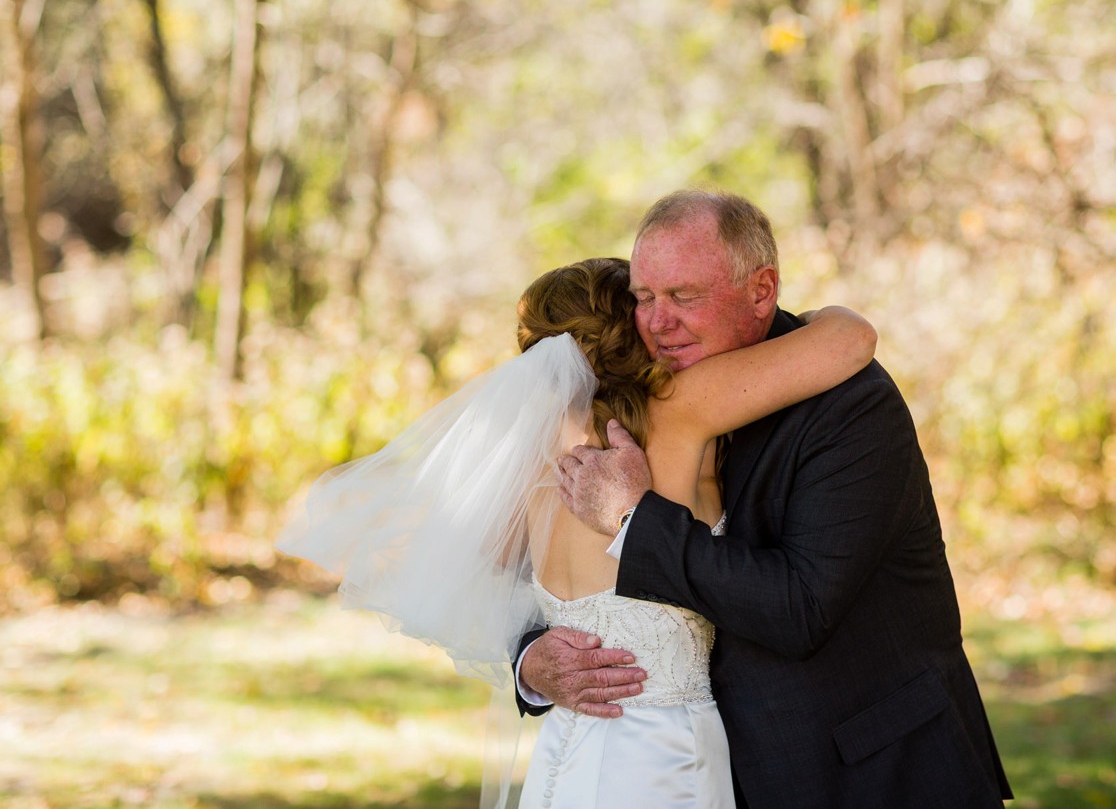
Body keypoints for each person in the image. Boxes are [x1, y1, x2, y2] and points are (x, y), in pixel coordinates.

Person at [278, 254, 878, 809]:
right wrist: (810, 316)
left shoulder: (536, 450)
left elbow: (475, 567)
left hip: (567, 748)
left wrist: (531, 658)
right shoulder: (680, 410)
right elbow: (851, 341)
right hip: (664, 757)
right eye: (645, 302)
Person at [522, 189, 1012, 808]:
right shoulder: (616, 422)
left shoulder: (850, 405)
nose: (658, 322)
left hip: (866, 776)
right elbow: (518, 577)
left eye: (684, 296)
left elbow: (800, 607)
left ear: (761, 291)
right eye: (644, 298)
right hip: (681, 767)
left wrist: (632, 519)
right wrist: (533, 662)